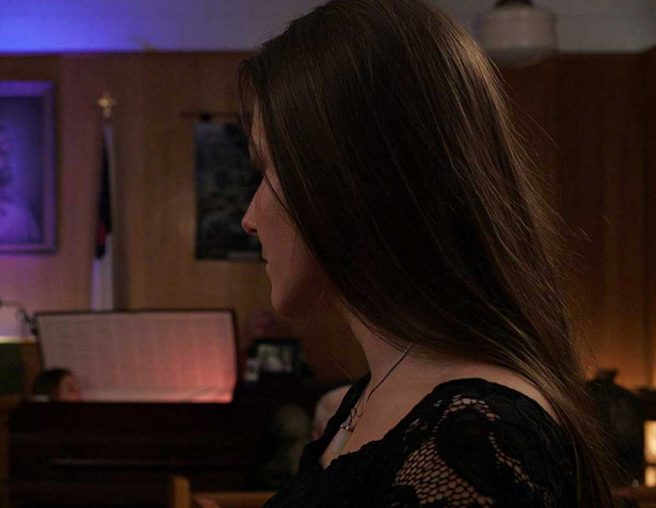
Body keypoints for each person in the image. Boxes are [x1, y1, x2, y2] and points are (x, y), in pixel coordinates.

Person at [238, 0, 614, 505]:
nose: (249, 218)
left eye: (267, 170)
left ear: (349, 179)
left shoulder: (473, 439)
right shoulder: (389, 396)